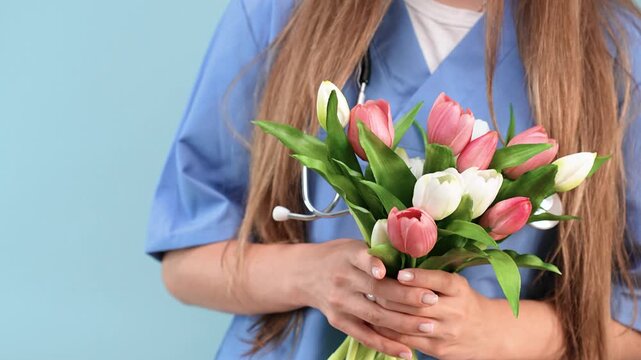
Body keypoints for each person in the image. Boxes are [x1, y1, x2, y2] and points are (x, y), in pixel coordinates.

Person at [146, 0, 641, 358]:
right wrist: (313, 275)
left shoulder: (615, 46)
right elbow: (186, 261)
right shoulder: (281, 13)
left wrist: (501, 331)